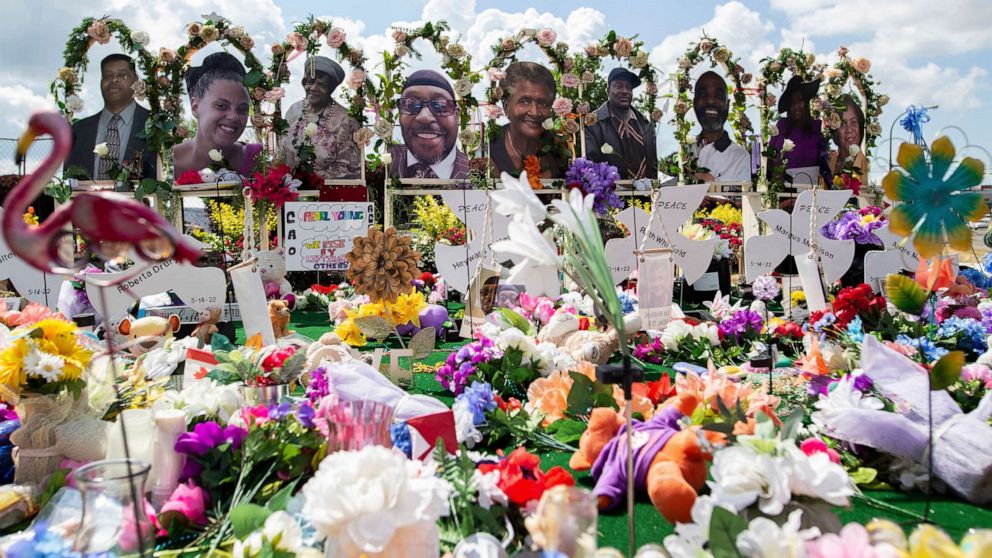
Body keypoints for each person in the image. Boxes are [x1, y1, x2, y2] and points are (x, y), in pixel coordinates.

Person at [63, 54, 157, 181]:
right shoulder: (79, 131)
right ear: (101, 81)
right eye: (108, 75)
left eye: (123, 75)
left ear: (135, 80)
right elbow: (69, 182)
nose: (114, 80)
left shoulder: (155, 125)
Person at [173, 52, 261, 178]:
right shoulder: (169, 162)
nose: (233, 116)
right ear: (195, 107)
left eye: (242, 109)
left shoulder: (257, 158)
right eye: (221, 106)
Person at [281, 56, 361, 180]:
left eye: (321, 84)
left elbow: (349, 167)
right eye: (310, 82)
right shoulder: (293, 111)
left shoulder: (345, 120)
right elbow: (282, 151)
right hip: (289, 189)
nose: (313, 88)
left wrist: (310, 180)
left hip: (328, 193)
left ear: (331, 88)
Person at [490, 62, 568, 178]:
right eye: (524, 101)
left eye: (542, 103)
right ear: (507, 108)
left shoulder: (559, 149)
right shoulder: (489, 149)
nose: (535, 112)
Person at [390, 69, 469, 180]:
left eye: (440, 105)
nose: (425, 117)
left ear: (457, 116)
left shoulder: (478, 171)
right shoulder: (384, 166)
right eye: (411, 104)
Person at [584, 67, 657, 179]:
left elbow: (652, 165)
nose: (625, 91)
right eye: (619, 86)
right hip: (611, 194)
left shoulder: (645, 124)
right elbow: (592, 164)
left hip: (645, 193)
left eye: (629, 88)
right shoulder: (594, 123)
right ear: (608, 91)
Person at [689, 71, 750, 183]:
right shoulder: (685, 151)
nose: (711, 101)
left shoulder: (740, 157)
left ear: (727, 105)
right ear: (694, 103)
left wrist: (711, 183)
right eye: (703, 95)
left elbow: (742, 199)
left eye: (718, 96)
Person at [769, 76, 831, 184]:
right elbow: (769, 156)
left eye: (799, 100)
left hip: (809, 190)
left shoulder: (816, 127)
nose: (796, 106)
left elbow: (824, 162)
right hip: (782, 189)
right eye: (792, 102)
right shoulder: (781, 125)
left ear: (806, 102)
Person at [828, 94, 869, 179]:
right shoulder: (829, 160)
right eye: (843, 124)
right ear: (836, 130)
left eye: (854, 122)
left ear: (860, 127)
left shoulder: (863, 163)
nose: (849, 130)